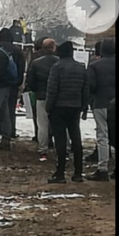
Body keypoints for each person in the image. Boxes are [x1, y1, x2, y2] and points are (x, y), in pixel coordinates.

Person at [45, 41, 89, 184]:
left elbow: (52, 90)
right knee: (76, 139)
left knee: (61, 141)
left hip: (59, 107)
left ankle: (60, 173)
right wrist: (84, 106)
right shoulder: (81, 68)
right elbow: (85, 89)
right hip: (75, 106)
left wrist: (48, 107)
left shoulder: (56, 68)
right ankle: (78, 172)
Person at [25, 38, 59, 162]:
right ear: (54, 47)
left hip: (41, 96)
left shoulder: (36, 61)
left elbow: (30, 79)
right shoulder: (59, 62)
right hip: (57, 98)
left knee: (42, 124)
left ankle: (43, 149)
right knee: (59, 124)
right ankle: (62, 149)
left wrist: (37, 90)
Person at [87, 38, 115, 181]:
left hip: (101, 102)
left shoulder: (94, 65)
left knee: (102, 135)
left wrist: (91, 100)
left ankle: (102, 168)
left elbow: (91, 85)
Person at [0, 28, 26, 139]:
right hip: (13, 85)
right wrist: (18, 82)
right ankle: (11, 131)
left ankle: (1, 132)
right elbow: (22, 67)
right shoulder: (17, 51)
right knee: (10, 108)